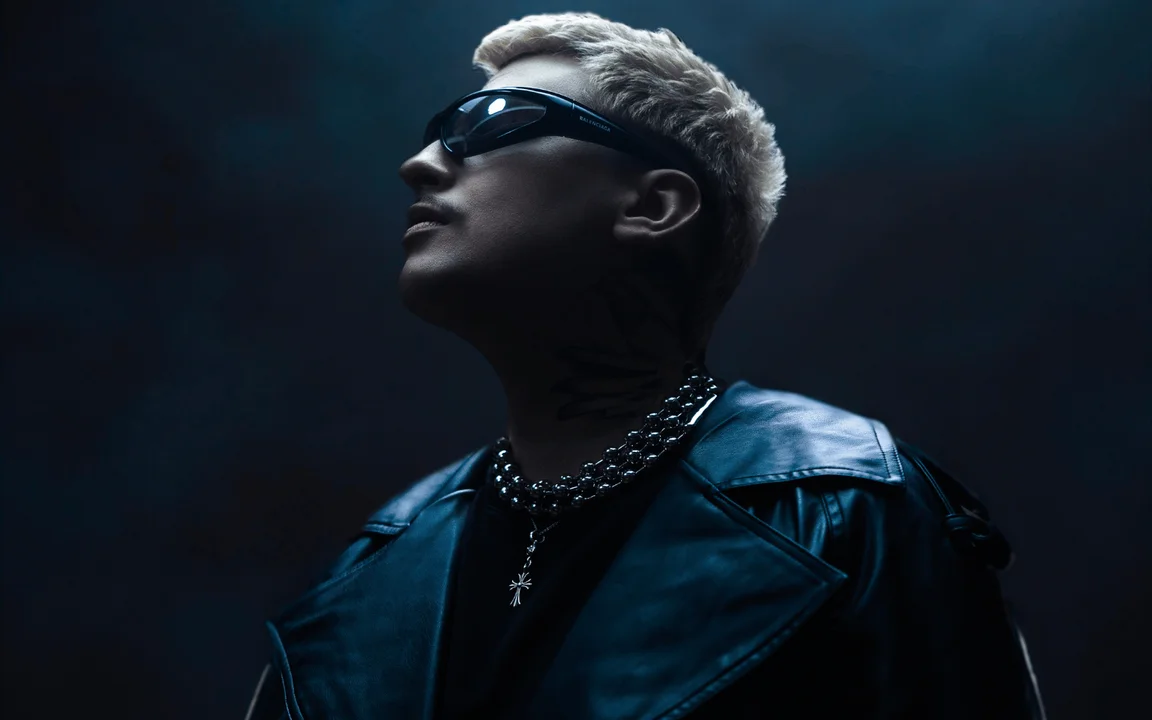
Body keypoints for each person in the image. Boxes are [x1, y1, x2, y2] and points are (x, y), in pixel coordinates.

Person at [245, 12, 1045, 720]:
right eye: (435, 130)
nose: (420, 163)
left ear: (653, 205)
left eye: (488, 121)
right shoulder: (374, 563)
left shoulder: (849, 509)